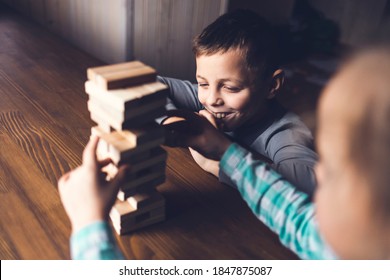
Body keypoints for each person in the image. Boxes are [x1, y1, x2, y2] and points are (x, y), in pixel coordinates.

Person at [59, 46, 390, 259]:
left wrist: (89, 223)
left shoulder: (289, 135)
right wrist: (222, 149)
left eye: (331, 169)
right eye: (202, 83)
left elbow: (303, 182)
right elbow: (297, 217)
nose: (211, 99)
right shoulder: (337, 246)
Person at [158, 9, 318, 197]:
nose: (211, 100)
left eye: (231, 88)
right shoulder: (214, 100)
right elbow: (150, 87)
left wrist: (215, 164)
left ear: (272, 86)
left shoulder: (286, 132)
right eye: (203, 83)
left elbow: (308, 182)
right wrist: (173, 122)